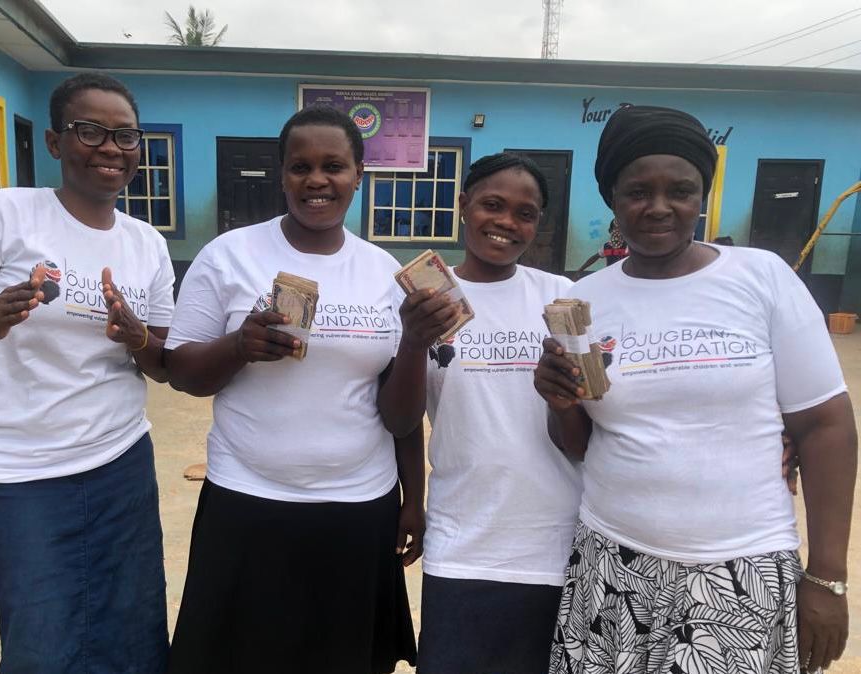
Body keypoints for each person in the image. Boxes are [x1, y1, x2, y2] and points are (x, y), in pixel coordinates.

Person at [535, 105, 857, 674]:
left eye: (681, 190)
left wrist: (827, 577)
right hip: (612, 564)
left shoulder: (760, 278)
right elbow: (580, 443)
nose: (659, 207)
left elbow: (825, 425)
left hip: (740, 570)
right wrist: (560, 402)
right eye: (638, 191)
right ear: (612, 197)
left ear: (702, 194)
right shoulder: (586, 300)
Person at [164, 105, 456, 674]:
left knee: (341, 658)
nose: (317, 180)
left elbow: (399, 418)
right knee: (239, 657)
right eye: (301, 166)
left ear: (359, 175)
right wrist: (238, 345)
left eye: (334, 166)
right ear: (282, 174)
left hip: (356, 509)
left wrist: (412, 500)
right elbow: (182, 373)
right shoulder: (230, 256)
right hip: (247, 503)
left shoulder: (382, 272)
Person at [0, 73, 174, 672]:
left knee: (131, 630)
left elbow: (162, 360)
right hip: (23, 472)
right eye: (91, 131)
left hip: (121, 463)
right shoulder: (5, 214)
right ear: (55, 143)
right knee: (41, 640)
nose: (110, 147)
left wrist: (139, 339)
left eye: (125, 135)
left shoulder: (147, 245)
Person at [411, 153, 580, 674]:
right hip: (462, 538)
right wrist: (410, 342)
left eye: (525, 213)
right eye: (492, 204)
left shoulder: (563, 298)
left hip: (556, 539)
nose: (507, 222)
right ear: (463, 205)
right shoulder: (429, 298)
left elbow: (598, 418)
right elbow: (398, 420)